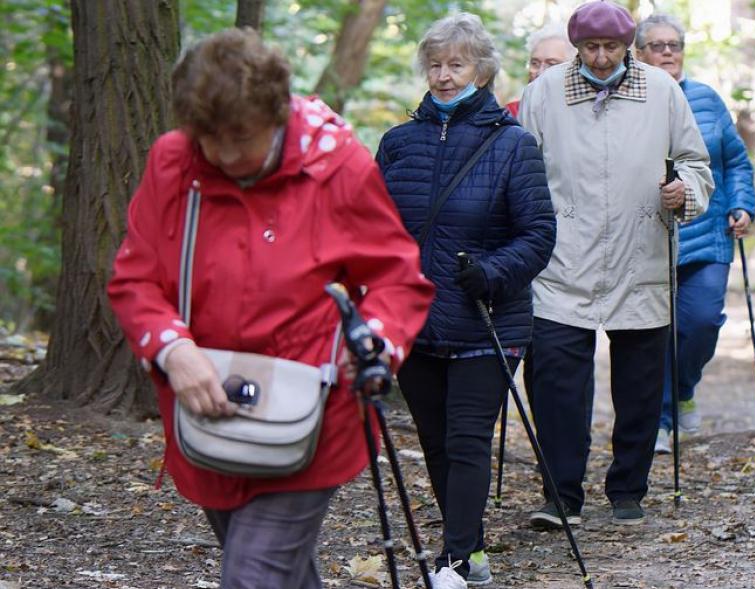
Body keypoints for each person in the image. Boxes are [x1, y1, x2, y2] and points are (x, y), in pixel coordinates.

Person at [107, 29, 434, 588]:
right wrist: (171, 347)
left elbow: (397, 280)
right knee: (274, 571)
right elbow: (135, 277)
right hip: (210, 409)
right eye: (210, 137)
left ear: (277, 113)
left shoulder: (337, 169)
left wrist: (375, 340)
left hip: (312, 414)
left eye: (242, 136)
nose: (227, 154)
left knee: (252, 574)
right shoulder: (173, 164)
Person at [376, 13, 555, 589]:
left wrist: (494, 272)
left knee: (467, 435)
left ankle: (453, 562)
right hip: (415, 320)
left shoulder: (513, 145)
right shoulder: (399, 143)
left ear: (482, 69)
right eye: (435, 64)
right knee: (432, 439)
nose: (444, 75)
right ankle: (471, 548)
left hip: (488, 319)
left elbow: (538, 233)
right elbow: (372, 228)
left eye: (457, 64)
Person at [518, 0, 713, 528]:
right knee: (557, 383)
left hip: (640, 251)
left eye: (611, 48)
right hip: (562, 259)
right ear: (576, 46)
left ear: (628, 46)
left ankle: (628, 489)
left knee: (640, 385)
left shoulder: (662, 91)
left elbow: (697, 163)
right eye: (590, 48)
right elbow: (522, 169)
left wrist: (684, 192)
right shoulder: (544, 93)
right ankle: (560, 496)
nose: (601, 58)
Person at [634, 14, 755, 453]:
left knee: (700, 324)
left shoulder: (707, 99)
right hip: (648, 239)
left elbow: (737, 162)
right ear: (639, 53)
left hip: (708, 237)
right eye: (657, 45)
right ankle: (663, 420)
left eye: (675, 45)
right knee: (654, 335)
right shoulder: (632, 101)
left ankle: (682, 390)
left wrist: (743, 204)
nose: (668, 52)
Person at [505, 23, 575, 118]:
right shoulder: (511, 113)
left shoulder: (582, 114)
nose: (540, 72)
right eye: (535, 63)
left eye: (551, 64)